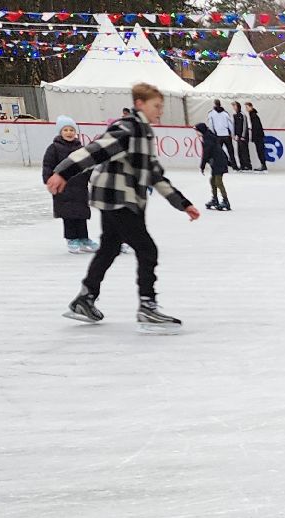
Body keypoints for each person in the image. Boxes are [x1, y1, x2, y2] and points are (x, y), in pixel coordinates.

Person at [46, 82, 200, 332]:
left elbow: (153, 174)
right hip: (118, 199)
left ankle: (84, 299)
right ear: (140, 104)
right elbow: (94, 151)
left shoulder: (143, 132)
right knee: (147, 250)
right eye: (156, 106)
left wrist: (182, 203)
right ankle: (147, 307)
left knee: (109, 248)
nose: (160, 111)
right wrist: (63, 172)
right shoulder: (127, 129)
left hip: (121, 199)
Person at [41, 116, 96, 254]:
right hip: (63, 187)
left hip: (80, 187)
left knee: (81, 214)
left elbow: (88, 166)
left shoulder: (81, 148)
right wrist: (48, 179)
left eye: (71, 130)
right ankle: (71, 238)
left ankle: (84, 238)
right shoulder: (53, 148)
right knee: (69, 215)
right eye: (65, 130)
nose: (69, 132)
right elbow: (48, 165)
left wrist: (92, 178)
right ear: (60, 132)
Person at [195, 120, 232, 212]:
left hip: (219, 162)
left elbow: (206, 154)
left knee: (218, 181)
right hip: (217, 161)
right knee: (212, 180)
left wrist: (202, 166)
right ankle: (215, 199)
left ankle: (226, 201)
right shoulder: (208, 136)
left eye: (197, 131)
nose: (196, 133)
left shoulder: (208, 140)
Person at [207, 100, 235, 169]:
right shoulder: (225, 113)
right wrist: (232, 133)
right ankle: (234, 166)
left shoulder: (211, 114)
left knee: (218, 152)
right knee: (231, 151)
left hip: (218, 135)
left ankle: (220, 165)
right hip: (226, 135)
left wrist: (213, 133)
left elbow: (211, 125)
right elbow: (230, 124)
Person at [246, 103, 268, 171]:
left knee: (260, 151)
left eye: (247, 107)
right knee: (259, 151)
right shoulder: (252, 115)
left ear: (251, 107)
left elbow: (256, 127)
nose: (246, 109)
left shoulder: (254, 116)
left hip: (258, 137)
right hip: (258, 136)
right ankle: (263, 164)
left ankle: (263, 165)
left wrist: (255, 137)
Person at [231, 102, 251, 172]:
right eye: (233, 106)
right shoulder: (234, 115)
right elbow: (234, 125)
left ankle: (248, 166)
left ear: (238, 106)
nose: (233, 107)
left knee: (244, 151)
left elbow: (244, 126)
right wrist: (233, 135)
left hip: (243, 137)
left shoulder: (243, 115)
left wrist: (243, 136)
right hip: (237, 136)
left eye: (234, 106)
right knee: (239, 151)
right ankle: (242, 165)